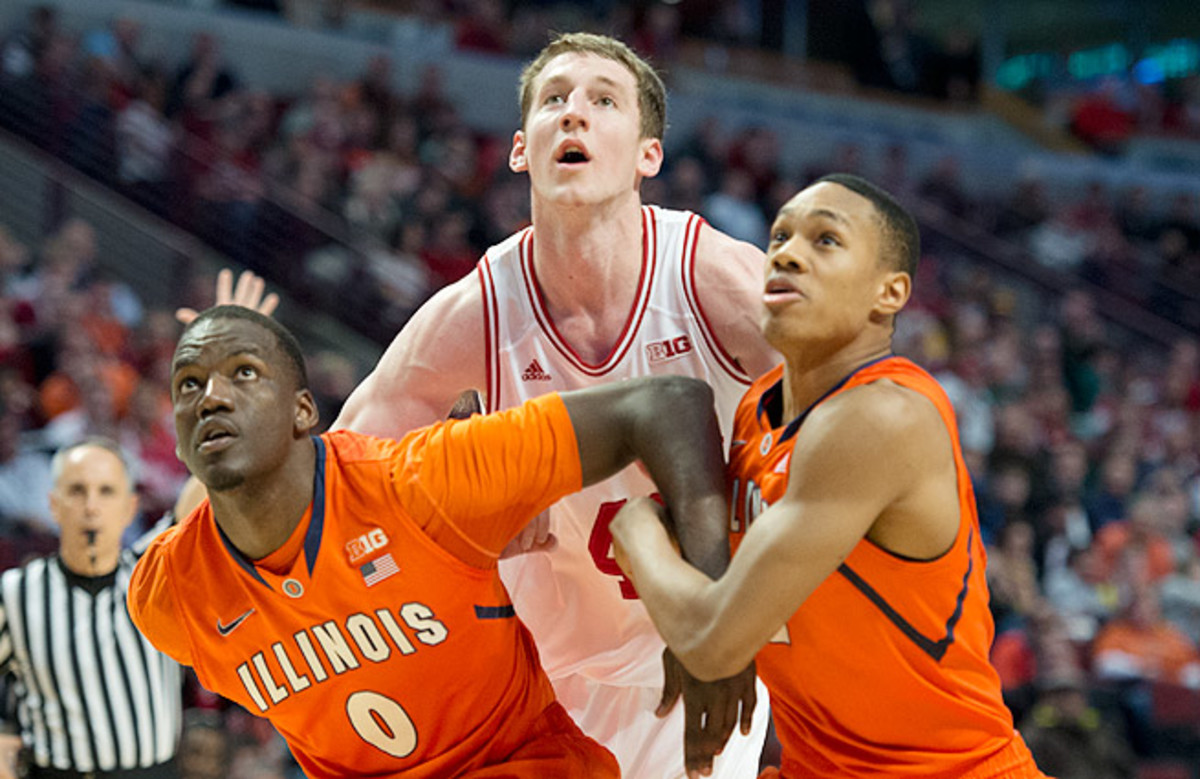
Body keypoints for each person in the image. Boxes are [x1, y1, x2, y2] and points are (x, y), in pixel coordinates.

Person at [334, 32, 776, 778]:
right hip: (538, 678)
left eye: (604, 101)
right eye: (554, 101)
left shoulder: (715, 279)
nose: (574, 115)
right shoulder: (476, 311)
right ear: (519, 149)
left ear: (648, 154)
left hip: (694, 659)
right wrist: (456, 512)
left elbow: (852, 425)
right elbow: (341, 478)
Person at [129, 305, 747, 778]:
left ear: (302, 412)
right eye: (188, 384)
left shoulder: (419, 483)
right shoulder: (168, 600)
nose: (210, 396)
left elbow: (668, 404)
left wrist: (713, 624)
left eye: (243, 373)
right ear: (178, 440)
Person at [611, 174, 1048, 777]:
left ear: (888, 293)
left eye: (825, 241)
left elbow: (713, 641)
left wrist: (635, 532)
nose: (786, 253)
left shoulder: (881, 415)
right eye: (781, 236)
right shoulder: (758, 407)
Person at [0, 437, 182, 778]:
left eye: (106, 491)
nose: (91, 506)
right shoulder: (15, 592)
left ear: (131, 507)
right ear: (53, 504)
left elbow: (200, 498)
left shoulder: (157, 573)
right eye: (77, 491)